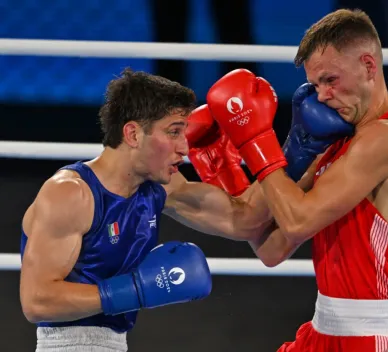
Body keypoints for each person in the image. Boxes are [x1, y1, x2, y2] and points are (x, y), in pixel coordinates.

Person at [206, 9, 388, 352]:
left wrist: (256, 141)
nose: (322, 95)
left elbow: (297, 222)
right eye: (315, 85)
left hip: (371, 339)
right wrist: (228, 170)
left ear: (369, 66)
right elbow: (271, 248)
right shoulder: (338, 142)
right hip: (321, 331)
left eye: (330, 80)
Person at [19, 68, 280, 351]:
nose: (184, 148)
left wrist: (301, 147)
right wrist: (135, 290)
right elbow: (37, 300)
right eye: (174, 132)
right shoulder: (71, 193)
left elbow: (245, 220)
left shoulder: (159, 188)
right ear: (133, 134)